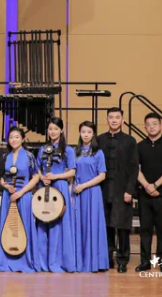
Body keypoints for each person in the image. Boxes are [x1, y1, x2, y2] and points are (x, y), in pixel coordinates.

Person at [33, 117, 77, 273]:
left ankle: (59, 261)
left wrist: (55, 176)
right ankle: (42, 262)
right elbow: (37, 168)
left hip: (60, 187)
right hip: (44, 187)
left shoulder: (68, 150)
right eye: (50, 129)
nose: (53, 132)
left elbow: (72, 172)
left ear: (61, 130)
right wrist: (42, 177)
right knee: (42, 223)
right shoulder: (42, 149)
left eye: (56, 129)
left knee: (59, 224)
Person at [97, 107, 138, 273]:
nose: (114, 120)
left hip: (122, 190)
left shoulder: (130, 141)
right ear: (106, 120)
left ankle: (122, 260)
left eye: (117, 117)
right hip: (103, 189)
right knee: (106, 226)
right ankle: (107, 259)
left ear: (122, 120)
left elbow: (134, 168)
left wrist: (130, 191)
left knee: (122, 227)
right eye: (111, 117)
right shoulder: (99, 140)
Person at [135, 112, 162, 273]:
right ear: (145, 127)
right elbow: (136, 169)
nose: (151, 127)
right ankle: (145, 262)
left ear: (160, 125)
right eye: (148, 124)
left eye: (155, 123)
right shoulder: (139, 146)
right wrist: (147, 186)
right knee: (145, 230)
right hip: (144, 194)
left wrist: (156, 185)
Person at [0, 127, 38, 273]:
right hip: (8, 195)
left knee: (24, 226)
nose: (14, 140)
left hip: (24, 195)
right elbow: (0, 177)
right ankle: (6, 260)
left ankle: (25, 260)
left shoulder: (29, 156)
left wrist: (22, 192)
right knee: (7, 226)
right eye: (11, 137)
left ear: (23, 139)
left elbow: (36, 177)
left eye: (17, 137)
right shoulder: (4, 156)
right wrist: (6, 186)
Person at [73, 121, 109, 272]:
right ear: (80, 133)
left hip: (92, 192)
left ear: (93, 134)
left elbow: (102, 176)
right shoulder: (75, 151)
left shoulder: (98, 152)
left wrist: (84, 186)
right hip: (77, 192)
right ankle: (79, 261)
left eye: (89, 132)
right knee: (78, 226)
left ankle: (93, 262)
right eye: (83, 132)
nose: (86, 134)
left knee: (92, 226)